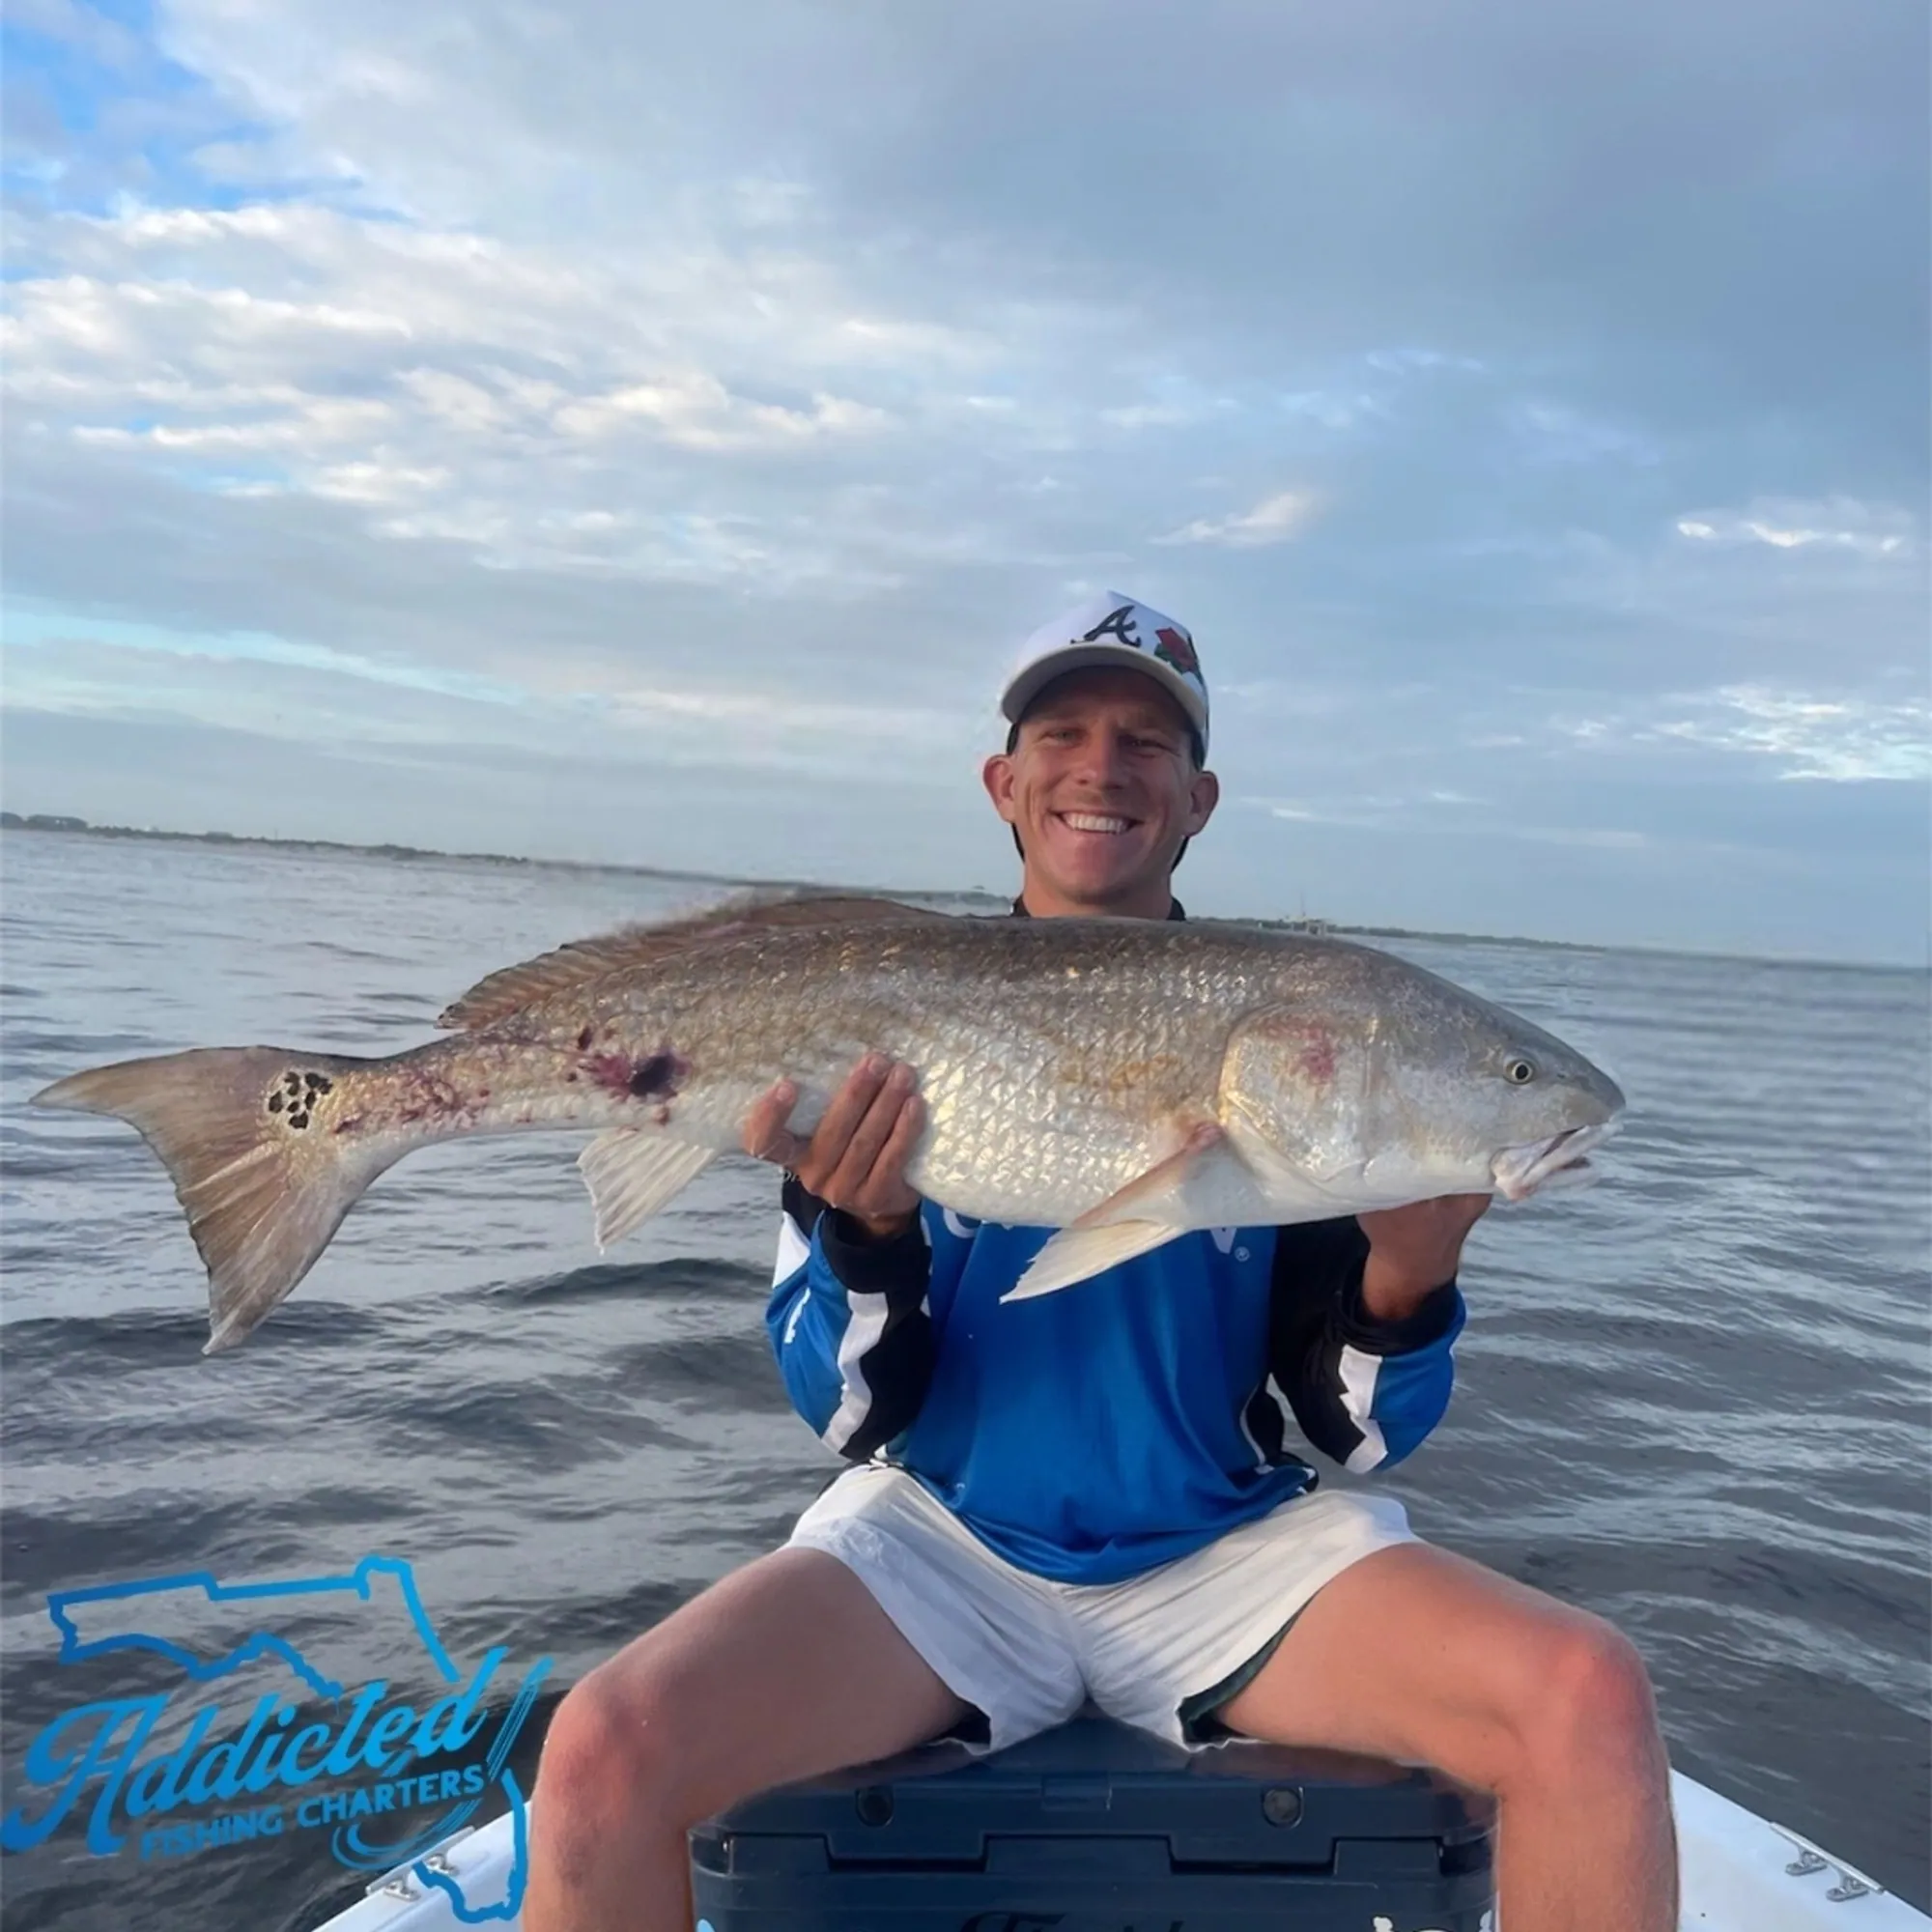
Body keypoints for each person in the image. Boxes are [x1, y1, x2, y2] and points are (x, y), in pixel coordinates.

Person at [526, 593, 1678, 1932]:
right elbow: (847, 1415)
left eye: (1148, 741)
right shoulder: (883, 1017)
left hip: (1228, 1554)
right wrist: (869, 1228)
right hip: (942, 1548)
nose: (1103, 765)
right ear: (1003, 784)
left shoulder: (1308, 1088)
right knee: (604, 1748)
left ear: (1199, 798)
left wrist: (1407, 1281)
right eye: (1064, 730)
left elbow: (1349, 1444)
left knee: (1587, 1697)